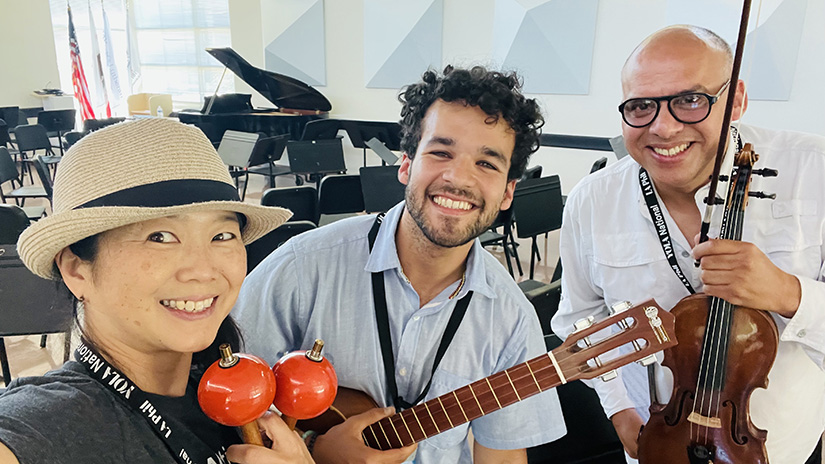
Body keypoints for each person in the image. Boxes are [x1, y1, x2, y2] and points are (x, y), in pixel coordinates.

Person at [233, 65, 566, 463]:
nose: (458, 178)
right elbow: (228, 407)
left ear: (508, 192)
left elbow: (502, 458)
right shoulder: (302, 268)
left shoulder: (512, 318)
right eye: (441, 152)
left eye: (487, 164)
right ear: (406, 165)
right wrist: (315, 451)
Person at [551, 25, 825, 464]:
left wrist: (788, 294)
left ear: (735, 100)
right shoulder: (593, 199)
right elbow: (580, 322)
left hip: (785, 449)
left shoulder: (816, 172)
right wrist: (619, 408)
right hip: (659, 446)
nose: (663, 127)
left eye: (690, 100)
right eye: (640, 106)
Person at [0, 118, 315, 464]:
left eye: (222, 236)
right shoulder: (52, 426)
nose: (203, 270)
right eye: (160, 237)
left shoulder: (227, 398)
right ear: (76, 269)